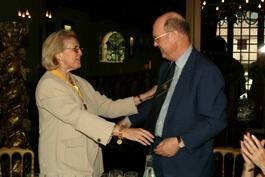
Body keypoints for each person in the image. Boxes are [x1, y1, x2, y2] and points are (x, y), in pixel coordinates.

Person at [35, 29, 156, 177]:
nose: (81, 53)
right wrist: (121, 131)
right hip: (64, 166)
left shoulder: (79, 81)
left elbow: (106, 106)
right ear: (58, 54)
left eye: (80, 48)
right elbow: (77, 117)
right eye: (75, 49)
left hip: (89, 162)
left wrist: (145, 96)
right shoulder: (49, 84)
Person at [120, 11, 227, 177]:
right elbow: (157, 102)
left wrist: (180, 142)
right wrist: (128, 120)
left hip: (188, 165)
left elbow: (216, 120)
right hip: (159, 156)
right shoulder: (166, 67)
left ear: (173, 35)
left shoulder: (206, 71)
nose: (155, 44)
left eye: (157, 38)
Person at [206, 36, 246, 147]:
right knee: (229, 137)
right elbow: (241, 91)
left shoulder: (207, 66)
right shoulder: (236, 66)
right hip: (231, 107)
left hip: (212, 107)